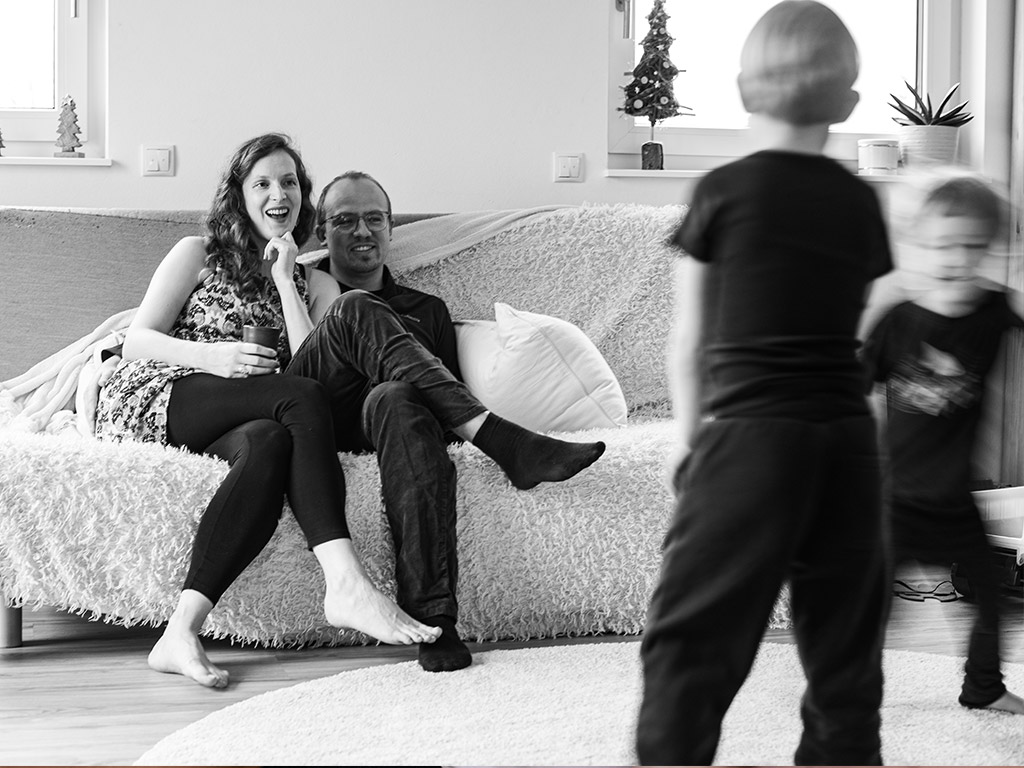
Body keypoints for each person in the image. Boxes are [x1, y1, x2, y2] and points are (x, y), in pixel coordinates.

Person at [634, 2, 892, 764]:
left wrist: (690, 443)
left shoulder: (721, 189)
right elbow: (857, 332)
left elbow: (692, 340)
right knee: (845, 647)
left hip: (752, 439)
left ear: (745, 90)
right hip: (848, 441)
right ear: (848, 102)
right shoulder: (861, 200)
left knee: (692, 637)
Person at [94, 133, 442, 688]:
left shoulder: (317, 282)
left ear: (303, 197)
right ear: (239, 195)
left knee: (271, 441)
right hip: (160, 393)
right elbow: (138, 340)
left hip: (243, 414)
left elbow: (314, 373)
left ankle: (180, 632)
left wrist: (285, 282)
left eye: (289, 183)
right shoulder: (196, 253)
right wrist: (214, 357)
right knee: (294, 399)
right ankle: (345, 581)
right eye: (262, 183)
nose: (278, 194)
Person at [284, 170, 607, 672]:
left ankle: (434, 619)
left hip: (390, 424)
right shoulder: (300, 287)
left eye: (374, 219)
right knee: (353, 308)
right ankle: (503, 441)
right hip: (318, 410)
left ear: (391, 227)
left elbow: (441, 400)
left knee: (397, 396)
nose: (362, 231)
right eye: (344, 220)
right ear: (321, 232)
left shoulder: (428, 310)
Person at [861, 172, 1024, 715]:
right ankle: (851, 689)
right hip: (896, 502)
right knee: (874, 609)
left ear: (990, 248)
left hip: (956, 502)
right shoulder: (898, 320)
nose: (957, 258)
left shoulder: (994, 311)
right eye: (942, 246)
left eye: (973, 246)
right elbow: (851, 388)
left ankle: (984, 687)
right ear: (916, 244)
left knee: (990, 599)